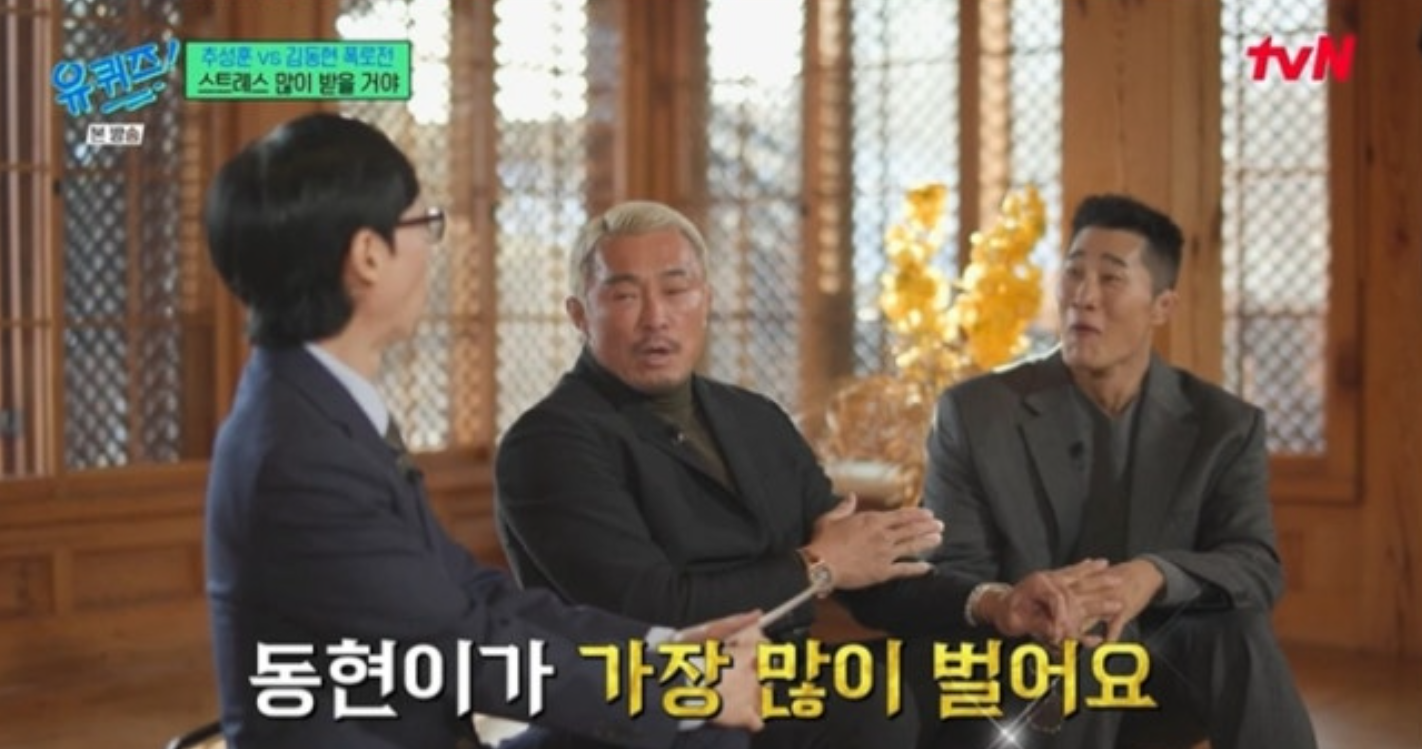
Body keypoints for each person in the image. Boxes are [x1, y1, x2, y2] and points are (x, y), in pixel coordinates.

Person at [203, 114, 765, 749]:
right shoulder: (300, 455)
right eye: (423, 225)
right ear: (368, 255)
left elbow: (472, 594)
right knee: (697, 729)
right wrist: (680, 689)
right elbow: (461, 648)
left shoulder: (317, 403)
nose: (432, 250)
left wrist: (661, 647)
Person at [494, 200, 1118, 749]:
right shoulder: (549, 443)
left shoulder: (752, 418)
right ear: (580, 313)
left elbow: (864, 570)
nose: (656, 316)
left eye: (676, 289)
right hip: (652, 694)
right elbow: (654, 610)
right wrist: (816, 567)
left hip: (781, 678)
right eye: (625, 295)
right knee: (866, 706)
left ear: (706, 300)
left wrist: (997, 604)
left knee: (993, 664)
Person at [920, 193, 1318, 748]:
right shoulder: (977, 413)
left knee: (1240, 631)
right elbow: (952, 572)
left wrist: (1152, 575)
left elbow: (1256, 565)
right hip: (1025, 667)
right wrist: (1023, 605)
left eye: (1110, 278)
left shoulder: (1223, 425)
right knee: (1082, 641)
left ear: (1162, 306)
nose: (1083, 296)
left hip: (1161, 673)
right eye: (1073, 273)